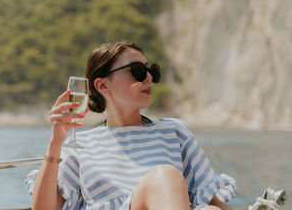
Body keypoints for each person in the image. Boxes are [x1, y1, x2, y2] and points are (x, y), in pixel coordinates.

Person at [25, 41, 236, 210]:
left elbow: (212, 200)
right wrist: (56, 141)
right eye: (137, 71)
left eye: (150, 70)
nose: (149, 78)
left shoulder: (173, 132)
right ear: (102, 85)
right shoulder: (82, 144)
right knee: (165, 175)